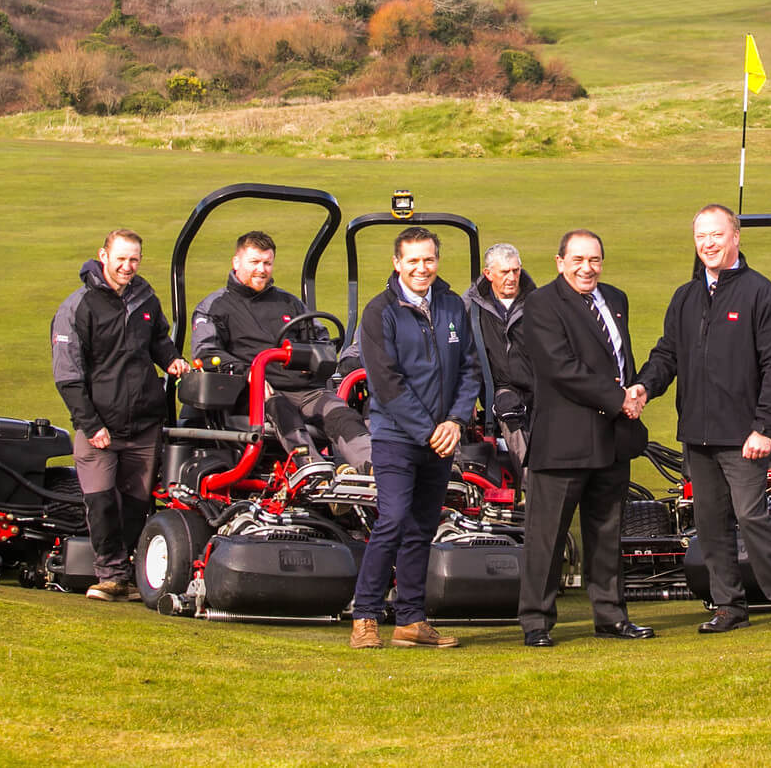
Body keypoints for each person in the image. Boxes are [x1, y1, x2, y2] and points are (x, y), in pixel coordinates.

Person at [632, 205, 771, 632]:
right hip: (698, 433)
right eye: (701, 237)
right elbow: (667, 355)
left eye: (716, 235)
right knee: (710, 523)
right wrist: (643, 387)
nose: (708, 244)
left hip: (745, 435)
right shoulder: (686, 297)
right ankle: (728, 606)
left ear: (735, 238)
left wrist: (764, 428)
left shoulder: (761, 294)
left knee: (752, 517)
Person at [516, 230, 655, 648]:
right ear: (559, 262)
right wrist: (620, 399)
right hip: (564, 440)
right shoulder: (541, 304)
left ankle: (611, 615)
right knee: (547, 536)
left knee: (608, 531)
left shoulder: (616, 298)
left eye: (594, 259)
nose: (586, 268)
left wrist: (631, 392)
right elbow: (561, 368)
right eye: (577, 259)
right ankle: (536, 621)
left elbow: (619, 359)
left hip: (612, 438)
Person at [350, 227, 482, 649]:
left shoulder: (451, 306)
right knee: (391, 520)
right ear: (397, 263)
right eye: (413, 261)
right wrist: (429, 431)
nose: (422, 268)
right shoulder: (379, 312)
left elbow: (470, 369)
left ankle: (411, 619)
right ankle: (366, 615)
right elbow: (387, 384)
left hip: (442, 438)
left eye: (429, 260)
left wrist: (456, 421)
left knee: (423, 527)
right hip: (396, 438)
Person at [50, 229, 187, 603]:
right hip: (100, 426)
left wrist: (172, 360)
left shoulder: (145, 298)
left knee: (137, 504)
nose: (127, 266)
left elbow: (159, 340)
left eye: (134, 260)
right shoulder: (78, 307)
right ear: (103, 256)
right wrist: (91, 425)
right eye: (121, 259)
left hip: (144, 423)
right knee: (102, 501)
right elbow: (68, 376)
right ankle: (109, 575)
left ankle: (128, 573)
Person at [189, 230, 370, 469]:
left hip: (304, 389)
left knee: (340, 412)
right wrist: (250, 373)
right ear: (236, 262)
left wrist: (316, 362)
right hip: (254, 391)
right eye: (254, 262)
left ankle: (374, 470)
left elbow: (321, 337)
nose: (261, 270)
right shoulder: (215, 306)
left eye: (267, 263)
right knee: (280, 407)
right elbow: (206, 352)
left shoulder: (289, 303)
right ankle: (313, 470)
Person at [465, 242, 536, 470]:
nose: (512, 277)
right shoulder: (469, 306)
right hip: (500, 387)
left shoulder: (539, 302)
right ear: (488, 274)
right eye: (504, 272)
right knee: (511, 410)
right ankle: (531, 488)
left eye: (516, 270)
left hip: (537, 383)